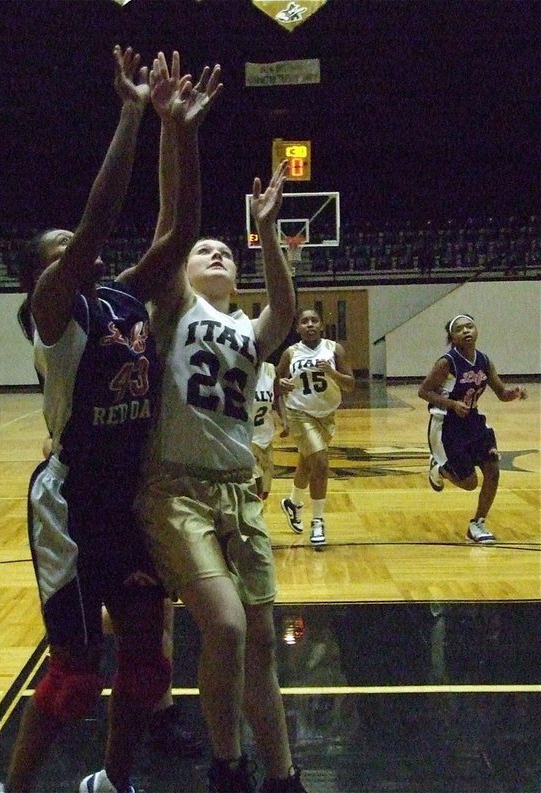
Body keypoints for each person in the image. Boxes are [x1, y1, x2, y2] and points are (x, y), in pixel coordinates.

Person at [4, 47, 220, 793]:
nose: (75, 249)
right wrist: (132, 112)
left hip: (122, 503)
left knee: (148, 659)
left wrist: (181, 130)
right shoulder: (53, 319)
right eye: (58, 251)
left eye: (75, 247)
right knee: (73, 675)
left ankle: (112, 781)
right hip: (67, 505)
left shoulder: (124, 297)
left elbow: (182, 229)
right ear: (41, 279)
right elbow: (97, 220)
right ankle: (19, 784)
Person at [136, 155, 308, 792]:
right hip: (175, 490)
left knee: (261, 638)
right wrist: (177, 140)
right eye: (202, 249)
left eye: (226, 252)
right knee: (228, 626)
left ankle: (283, 775)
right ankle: (227, 764)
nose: (214, 253)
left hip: (239, 489)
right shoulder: (174, 309)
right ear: (180, 268)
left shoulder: (246, 326)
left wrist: (268, 235)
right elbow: (171, 228)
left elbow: (283, 313)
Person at [418, 313, 527, 544]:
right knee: (469, 483)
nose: (466, 331)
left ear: (476, 330)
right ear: (452, 337)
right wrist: (452, 404)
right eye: (459, 329)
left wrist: (514, 393)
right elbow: (424, 392)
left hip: (473, 420)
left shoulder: (484, 361)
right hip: (447, 423)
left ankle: (477, 523)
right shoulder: (446, 362)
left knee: (493, 470)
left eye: (469, 326)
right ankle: (438, 468)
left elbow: (501, 393)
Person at [277, 308, 355, 546]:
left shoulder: (334, 349)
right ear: (298, 328)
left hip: (327, 414)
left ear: (321, 325)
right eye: (304, 321)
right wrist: (280, 387)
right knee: (320, 462)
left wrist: (332, 372)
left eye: (314, 320)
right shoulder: (290, 353)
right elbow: (276, 384)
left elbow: (350, 385)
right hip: (299, 412)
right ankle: (318, 521)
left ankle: (292, 502)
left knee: (307, 462)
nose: (309, 324)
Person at [251, 360, 279, 501]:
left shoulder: (270, 369)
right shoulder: (234, 371)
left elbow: (278, 397)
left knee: (264, 493)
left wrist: (284, 419)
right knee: (254, 489)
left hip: (265, 437)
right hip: (245, 439)